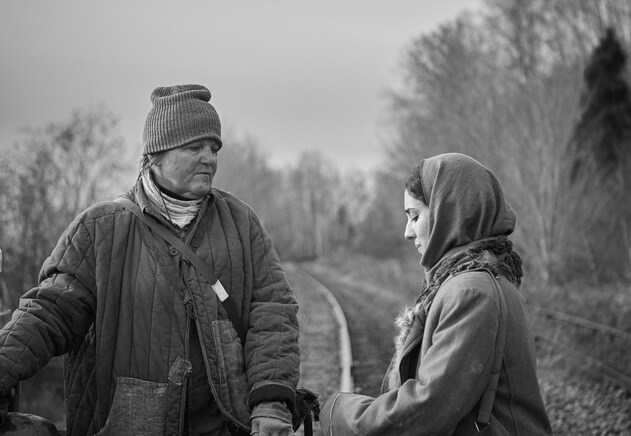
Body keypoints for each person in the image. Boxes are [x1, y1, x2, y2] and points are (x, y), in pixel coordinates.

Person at [0, 84, 300, 435]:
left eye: (214, 148)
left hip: (224, 425)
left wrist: (270, 402)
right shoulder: (99, 229)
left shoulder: (241, 222)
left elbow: (273, 311)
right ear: (156, 154)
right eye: (194, 147)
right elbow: (49, 312)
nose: (210, 158)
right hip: (128, 425)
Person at [319, 153, 552, 435]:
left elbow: (426, 410)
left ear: (449, 213)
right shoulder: (473, 280)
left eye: (415, 216)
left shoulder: (472, 292)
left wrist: (336, 412)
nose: (407, 232)